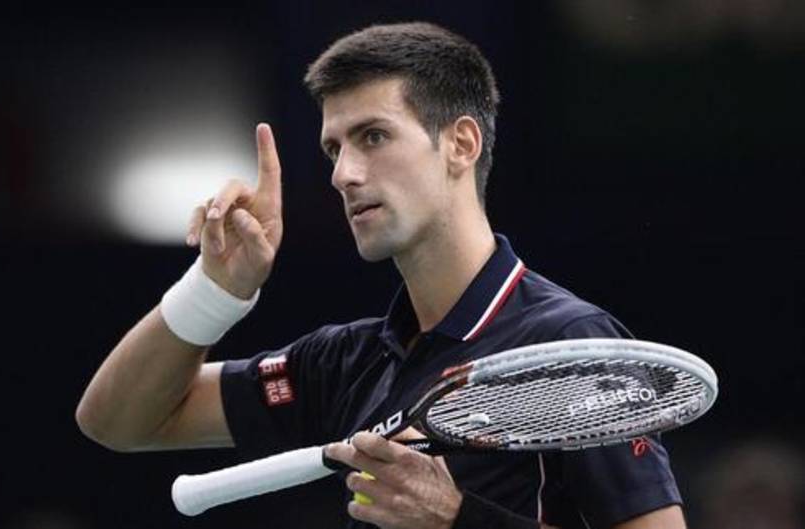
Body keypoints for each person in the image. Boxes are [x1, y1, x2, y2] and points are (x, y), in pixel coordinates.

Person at [76, 22, 686, 529]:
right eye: (333, 149)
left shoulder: (569, 343)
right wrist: (214, 291)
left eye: (373, 137)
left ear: (461, 144)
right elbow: (118, 420)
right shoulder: (345, 364)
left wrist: (456, 519)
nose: (343, 174)